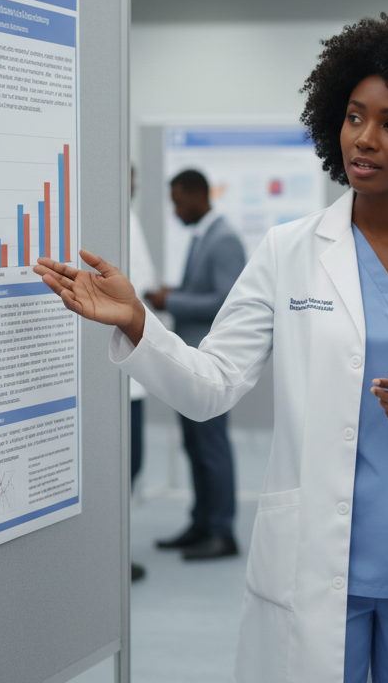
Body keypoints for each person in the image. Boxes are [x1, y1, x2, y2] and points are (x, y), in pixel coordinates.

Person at [36, 11, 388, 683]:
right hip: (315, 567)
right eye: (355, 116)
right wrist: (139, 326)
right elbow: (211, 385)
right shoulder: (288, 251)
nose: (365, 138)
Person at [144, 168, 247, 561]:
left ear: (196, 194)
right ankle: (202, 522)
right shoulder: (206, 236)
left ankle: (222, 531)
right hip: (192, 362)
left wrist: (172, 302)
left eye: (177, 200)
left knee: (211, 447)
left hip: (210, 363)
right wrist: (177, 293)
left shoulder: (222, 241)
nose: (174, 209)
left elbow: (226, 300)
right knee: (195, 445)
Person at [128, 165, 161, 581]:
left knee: (131, 462)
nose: (135, 183)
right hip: (119, 368)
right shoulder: (116, 217)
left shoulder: (127, 217)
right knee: (124, 462)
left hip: (132, 370)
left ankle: (116, 548)